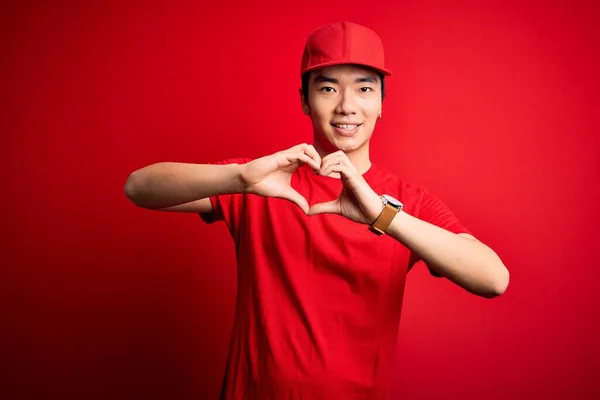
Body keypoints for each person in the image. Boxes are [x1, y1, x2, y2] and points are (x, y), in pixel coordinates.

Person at [124, 21, 509, 400]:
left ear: (381, 104)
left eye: (364, 88)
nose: (347, 106)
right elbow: (138, 188)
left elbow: (493, 279)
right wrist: (238, 178)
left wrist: (382, 216)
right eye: (327, 88)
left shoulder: (407, 201)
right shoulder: (261, 181)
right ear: (305, 100)